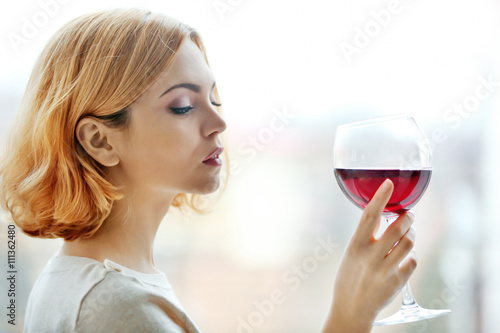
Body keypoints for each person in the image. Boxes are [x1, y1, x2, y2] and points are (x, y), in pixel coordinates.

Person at [0, 8, 416, 333]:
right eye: (182, 105)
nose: (217, 123)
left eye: (214, 99)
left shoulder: (76, 279)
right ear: (100, 141)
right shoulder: (115, 309)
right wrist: (350, 315)